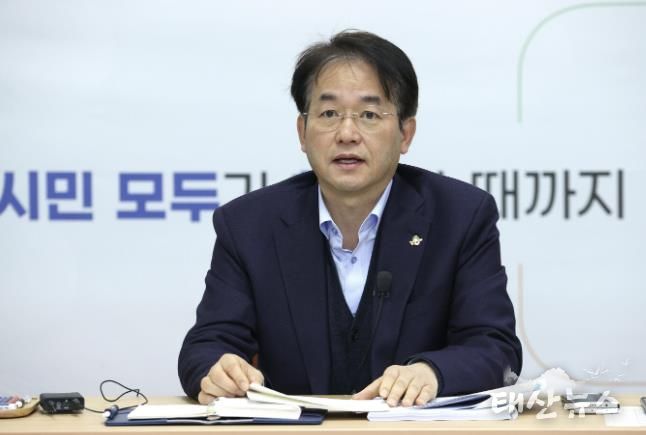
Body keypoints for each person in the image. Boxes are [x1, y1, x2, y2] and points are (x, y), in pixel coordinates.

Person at [178, 30, 522, 407]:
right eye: (328, 114)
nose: (346, 134)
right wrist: (217, 370)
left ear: (405, 134)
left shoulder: (460, 217)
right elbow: (206, 345)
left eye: (369, 115)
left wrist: (432, 373)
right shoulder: (248, 225)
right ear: (302, 132)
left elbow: (495, 347)